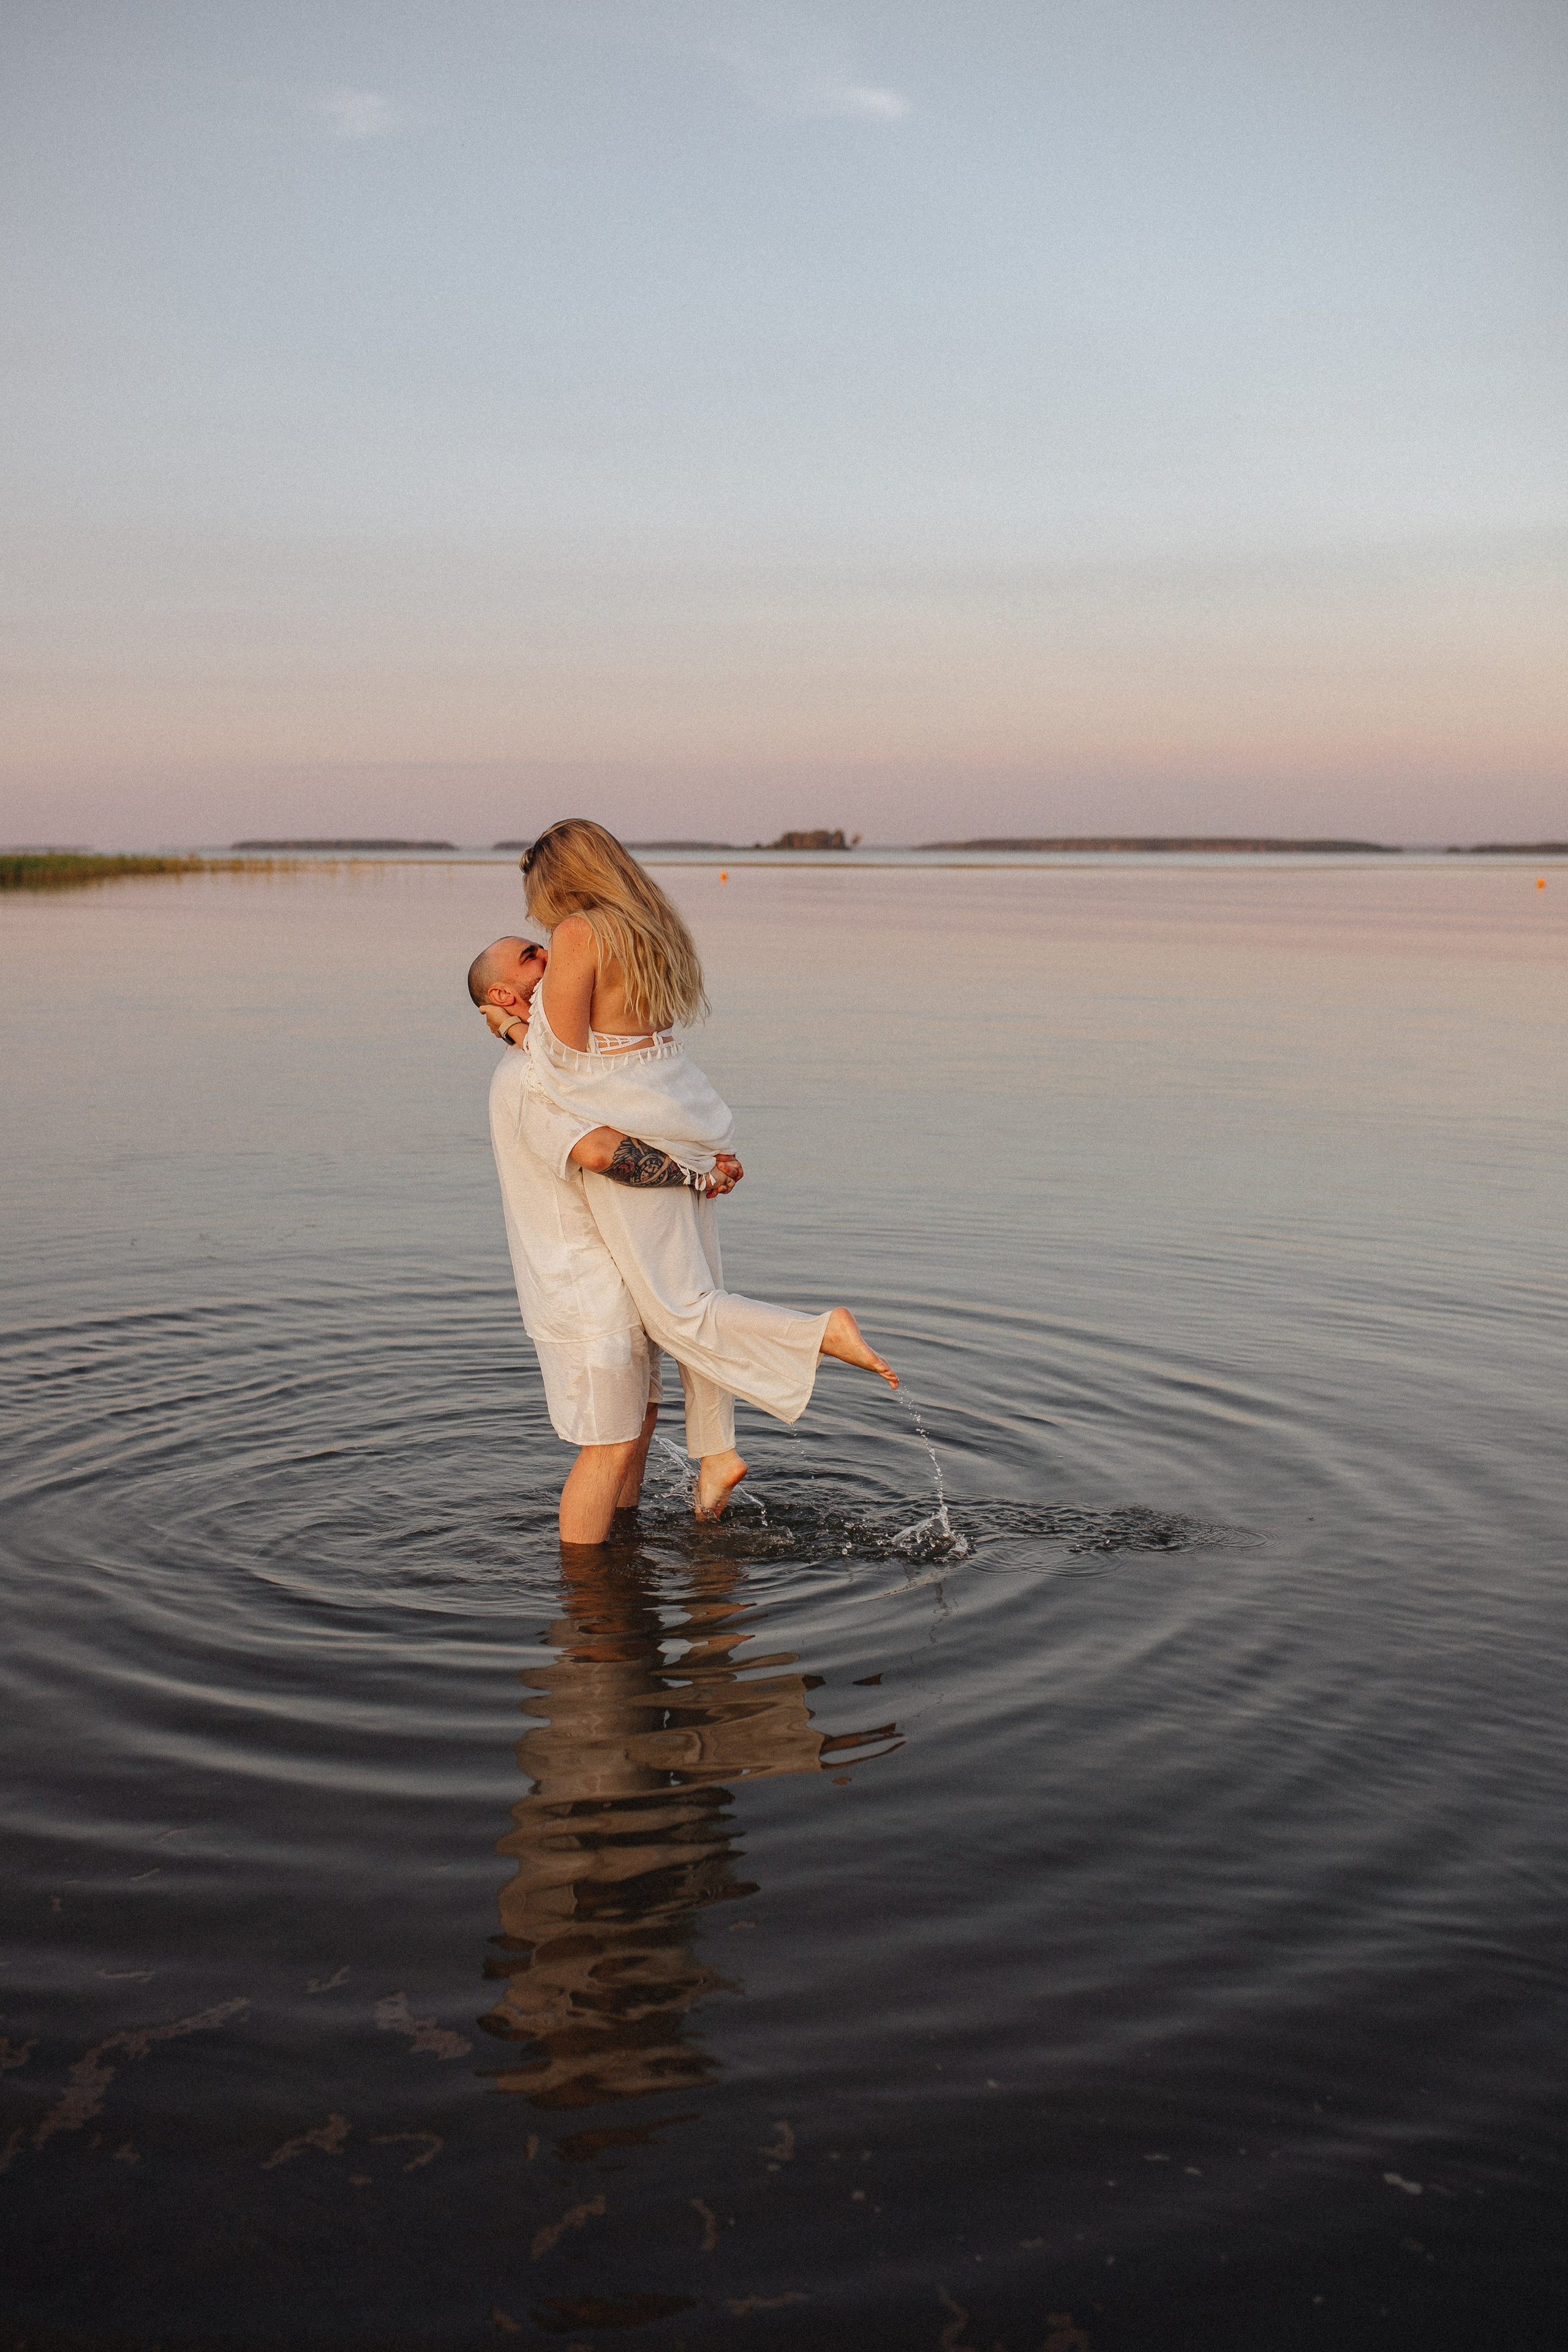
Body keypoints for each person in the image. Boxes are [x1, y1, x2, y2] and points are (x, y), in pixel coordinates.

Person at [472, 819, 895, 1544]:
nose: (540, 930)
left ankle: (816, 1333)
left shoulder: (580, 933)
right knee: (699, 1295)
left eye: (537, 912)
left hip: (639, 1130)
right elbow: (637, 1044)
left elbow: (567, 1063)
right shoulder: (649, 927)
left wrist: (513, 1031)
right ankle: (716, 1455)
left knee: (681, 1312)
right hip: (685, 1114)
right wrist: (700, 1160)